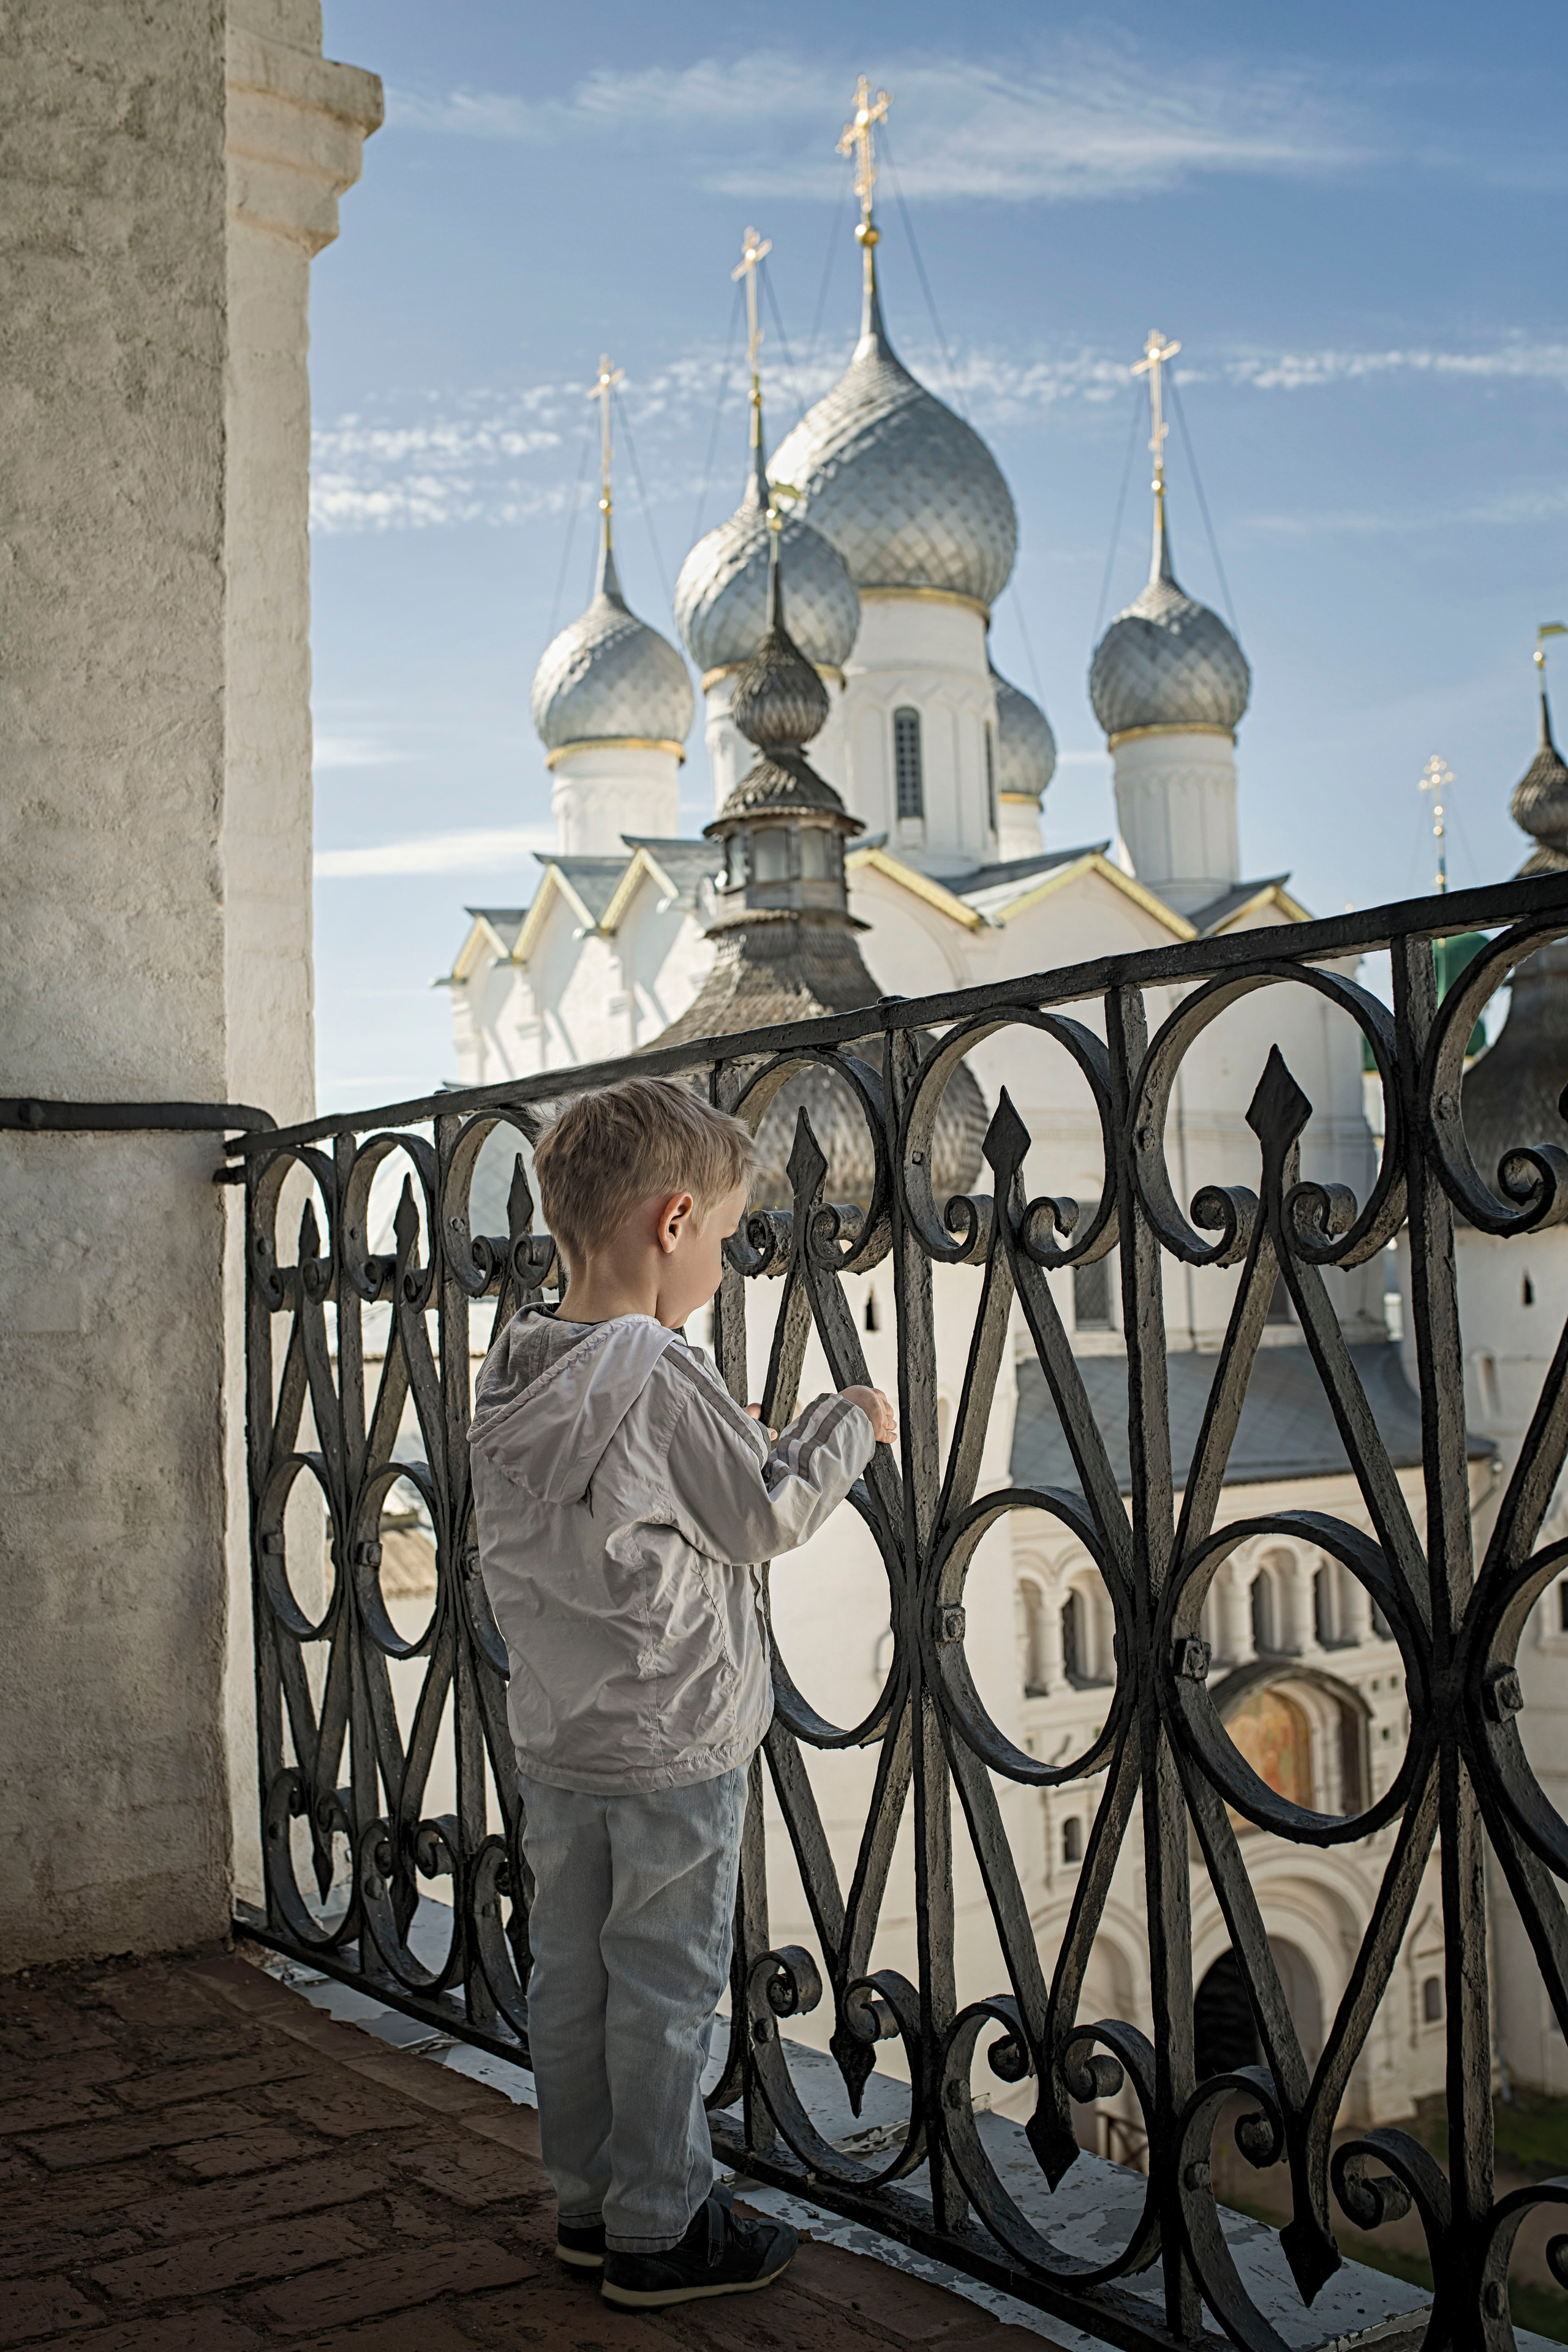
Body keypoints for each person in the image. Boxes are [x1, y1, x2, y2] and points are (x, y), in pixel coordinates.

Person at [469, 1076, 895, 2311]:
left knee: (573, 1975)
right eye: (719, 1232)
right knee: (662, 1982)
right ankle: (662, 2227)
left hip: (559, 1739)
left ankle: (589, 2205)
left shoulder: (519, 1368)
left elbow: (628, 1486)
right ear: (669, 1225)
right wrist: (846, 1423)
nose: (720, 1255)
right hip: (671, 1741)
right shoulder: (659, 1371)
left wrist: (709, 1432)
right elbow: (761, 1514)